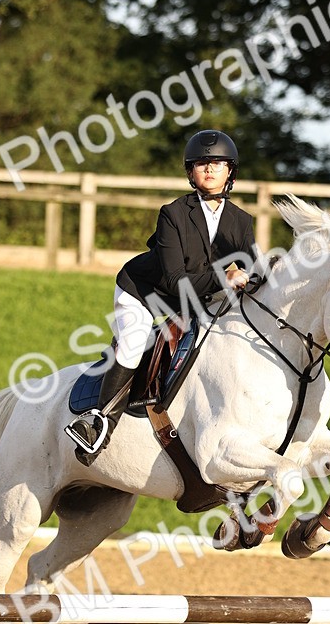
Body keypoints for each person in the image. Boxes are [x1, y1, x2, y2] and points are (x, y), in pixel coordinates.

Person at [66, 129, 258, 461]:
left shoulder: (241, 222)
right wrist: (225, 276)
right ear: (190, 172)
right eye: (201, 163)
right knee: (134, 340)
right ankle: (98, 425)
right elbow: (174, 280)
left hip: (196, 300)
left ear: (231, 172)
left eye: (218, 163)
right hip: (144, 292)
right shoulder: (173, 214)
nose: (210, 169)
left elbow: (254, 274)